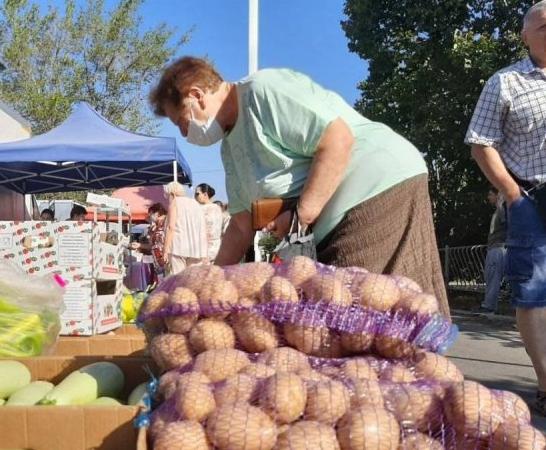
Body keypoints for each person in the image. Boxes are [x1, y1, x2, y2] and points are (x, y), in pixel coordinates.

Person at [149, 56, 449, 316]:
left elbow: (336, 139)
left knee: (362, 313)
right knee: (363, 316)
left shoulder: (263, 90)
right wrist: (209, 281)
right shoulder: (229, 149)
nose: (185, 132)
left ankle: (423, 379)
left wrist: (299, 216)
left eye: (181, 121)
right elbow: (241, 226)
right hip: (339, 212)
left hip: (375, 186)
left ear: (197, 95)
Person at [465, 0, 546, 414]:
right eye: (545, 26)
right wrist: (512, 194)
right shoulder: (506, 82)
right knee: (533, 292)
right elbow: (481, 142)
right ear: (525, 35)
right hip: (531, 196)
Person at [163, 181, 208, 274]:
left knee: (179, 279)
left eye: (167, 196)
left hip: (178, 246)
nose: (168, 198)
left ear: (172, 193)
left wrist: (165, 249)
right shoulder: (196, 204)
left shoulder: (175, 202)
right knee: (193, 281)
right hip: (196, 248)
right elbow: (204, 228)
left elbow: (171, 227)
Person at [475, 189, 507, 314]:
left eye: (490, 194)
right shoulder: (499, 210)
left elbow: (507, 226)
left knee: (492, 278)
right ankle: (488, 305)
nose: (488, 197)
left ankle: (488, 306)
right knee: (491, 277)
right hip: (496, 248)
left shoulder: (501, 210)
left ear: (498, 195)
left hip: (498, 248)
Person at [130, 203, 168, 284]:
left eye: (150, 214)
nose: (150, 217)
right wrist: (140, 245)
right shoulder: (157, 226)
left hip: (166, 261)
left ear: (157, 213)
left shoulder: (167, 223)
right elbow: (153, 246)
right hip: (158, 263)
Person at [195, 183, 223, 261]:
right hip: (217, 246)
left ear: (205, 194)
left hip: (205, 247)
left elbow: (204, 228)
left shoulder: (201, 209)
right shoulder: (218, 208)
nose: (195, 196)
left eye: (197, 193)